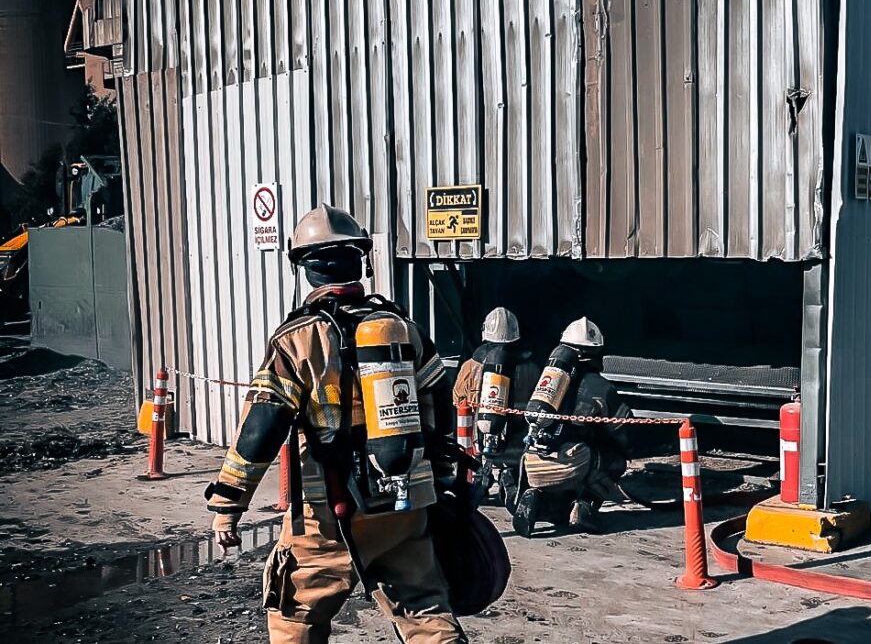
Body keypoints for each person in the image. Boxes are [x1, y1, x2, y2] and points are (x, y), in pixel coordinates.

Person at [205, 204, 466, 643]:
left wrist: (229, 504)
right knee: (424, 609)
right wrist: (440, 479)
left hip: (328, 511)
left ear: (305, 268)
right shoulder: (403, 328)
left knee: (295, 616)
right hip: (404, 503)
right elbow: (439, 408)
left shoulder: (296, 339)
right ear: (359, 261)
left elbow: (262, 427)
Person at [513, 317, 632, 537]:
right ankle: (584, 506)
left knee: (572, 458)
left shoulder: (547, 382)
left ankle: (538, 498)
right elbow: (622, 429)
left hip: (532, 465)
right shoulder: (601, 387)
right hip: (570, 464)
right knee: (614, 461)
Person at [452, 308, 541, 507]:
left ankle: (481, 481)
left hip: (481, 439)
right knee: (513, 467)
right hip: (519, 440)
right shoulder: (531, 366)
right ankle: (509, 478)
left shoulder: (472, 365)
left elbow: (458, 399)